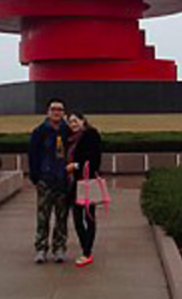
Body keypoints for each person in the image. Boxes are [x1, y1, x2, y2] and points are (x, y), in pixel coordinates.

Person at [28, 98, 71, 263]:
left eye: (60, 109)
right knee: (42, 217)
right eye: (53, 109)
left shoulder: (68, 131)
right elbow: (33, 156)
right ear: (48, 111)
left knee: (62, 217)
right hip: (45, 179)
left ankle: (59, 248)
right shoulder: (39, 131)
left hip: (62, 180)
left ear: (63, 113)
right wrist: (35, 177)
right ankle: (41, 248)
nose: (56, 112)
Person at [65, 111, 102, 268]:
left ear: (83, 121)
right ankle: (85, 249)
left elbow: (94, 160)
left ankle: (87, 252)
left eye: (75, 121)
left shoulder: (91, 135)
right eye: (70, 122)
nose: (73, 124)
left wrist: (76, 165)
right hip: (74, 183)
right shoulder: (70, 139)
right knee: (77, 218)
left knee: (89, 217)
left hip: (86, 181)